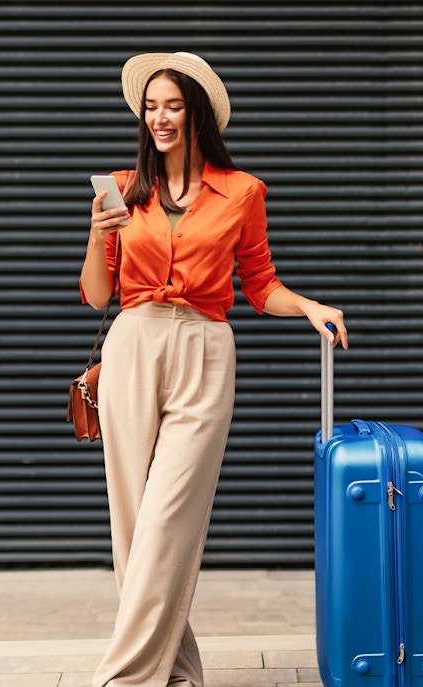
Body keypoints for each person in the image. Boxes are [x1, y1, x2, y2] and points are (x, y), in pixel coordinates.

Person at [80, 52, 349, 687]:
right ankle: (175, 672)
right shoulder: (120, 189)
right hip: (132, 344)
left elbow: (261, 284)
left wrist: (308, 305)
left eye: (172, 105)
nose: (160, 118)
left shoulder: (242, 191)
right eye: (151, 107)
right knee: (133, 519)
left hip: (205, 349)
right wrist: (97, 233)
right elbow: (96, 295)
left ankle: (122, 678)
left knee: (171, 517)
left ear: (197, 112)